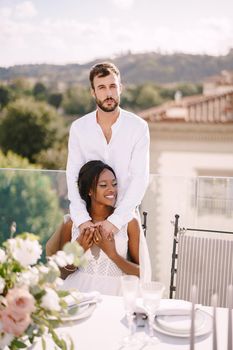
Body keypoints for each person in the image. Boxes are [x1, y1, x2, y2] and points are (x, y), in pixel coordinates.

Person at [66, 62, 150, 243]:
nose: (109, 93)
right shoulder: (79, 128)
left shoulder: (138, 128)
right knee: (71, 267)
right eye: (102, 87)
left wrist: (115, 221)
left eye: (113, 86)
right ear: (93, 92)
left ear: (120, 88)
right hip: (87, 220)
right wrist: (82, 220)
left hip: (124, 220)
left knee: (130, 270)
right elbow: (73, 176)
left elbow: (140, 178)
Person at [61, 160, 143, 295]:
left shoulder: (129, 222)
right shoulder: (72, 223)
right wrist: (78, 252)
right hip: (78, 291)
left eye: (114, 184)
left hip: (117, 294)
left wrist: (113, 254)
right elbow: (62, 271)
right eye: (103, 185)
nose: (112, 189)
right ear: (89, 191)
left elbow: (142, 272)